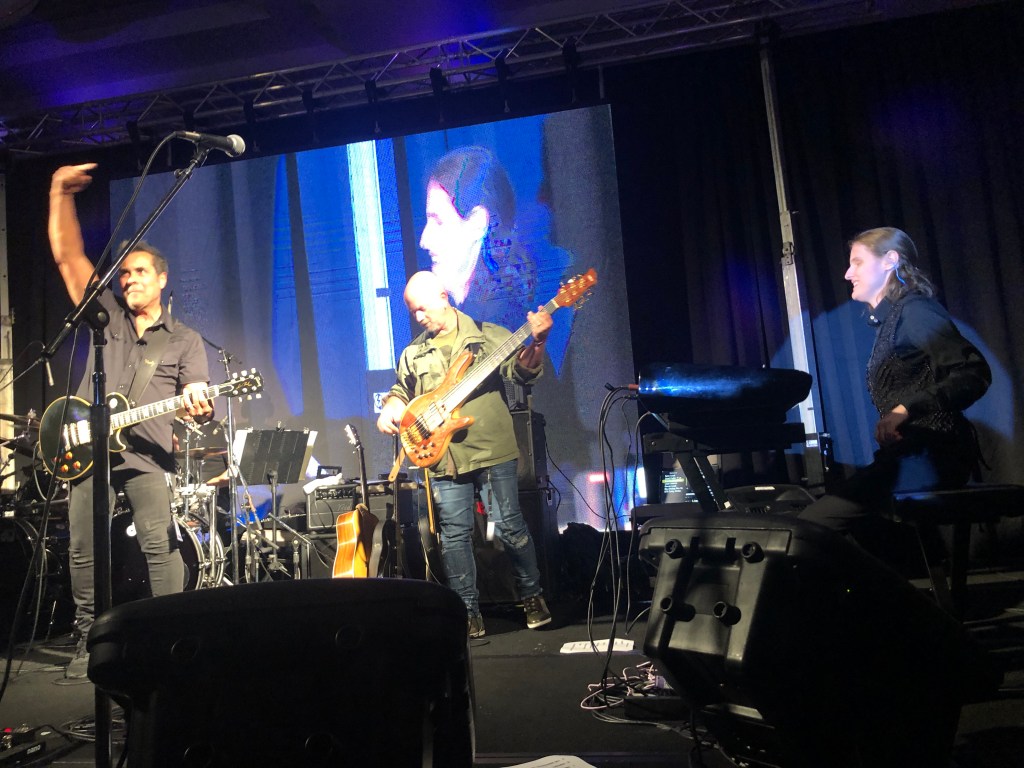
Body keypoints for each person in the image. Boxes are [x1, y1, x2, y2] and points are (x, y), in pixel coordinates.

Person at [49, 163, 214, 678]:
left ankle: (169, 633)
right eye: (124, 273)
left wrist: (198, 400)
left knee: (159, 544)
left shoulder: (184, 339)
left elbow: (196, 393)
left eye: (140, 272)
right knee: (84, 547)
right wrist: (58, 193)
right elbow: (68, 257)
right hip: (86, 448)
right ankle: (88, 640)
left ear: (162, 280)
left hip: (146, 457)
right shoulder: (106, 314)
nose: (129, 279)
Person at [376, 270, 553, 637]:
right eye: (413, 311)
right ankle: (467, 613)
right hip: (443, 455)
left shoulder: (489, 337)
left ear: (444, 297)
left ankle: (532, 596)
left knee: (510, 526)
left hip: (491, 448)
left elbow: (522, 374)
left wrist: (538, 341)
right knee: (454, 536)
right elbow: (401, 391)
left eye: (422, 309)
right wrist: (390, 406)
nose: (418, 317)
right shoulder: (413, 353)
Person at [799, 227, 991, 548]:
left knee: (810, 527)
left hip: (934, 455)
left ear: (890, 260)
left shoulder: (915, 311)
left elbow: (973, 373)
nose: (847, 274)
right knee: (862, 535)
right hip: (910, 456)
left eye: (857, 262)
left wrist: (905, 410)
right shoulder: (891, 320)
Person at [420, 146, 538, 332]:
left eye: (438, 221)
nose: (424, 241)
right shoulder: (455, 314)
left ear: (477, 223)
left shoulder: (500, 320)